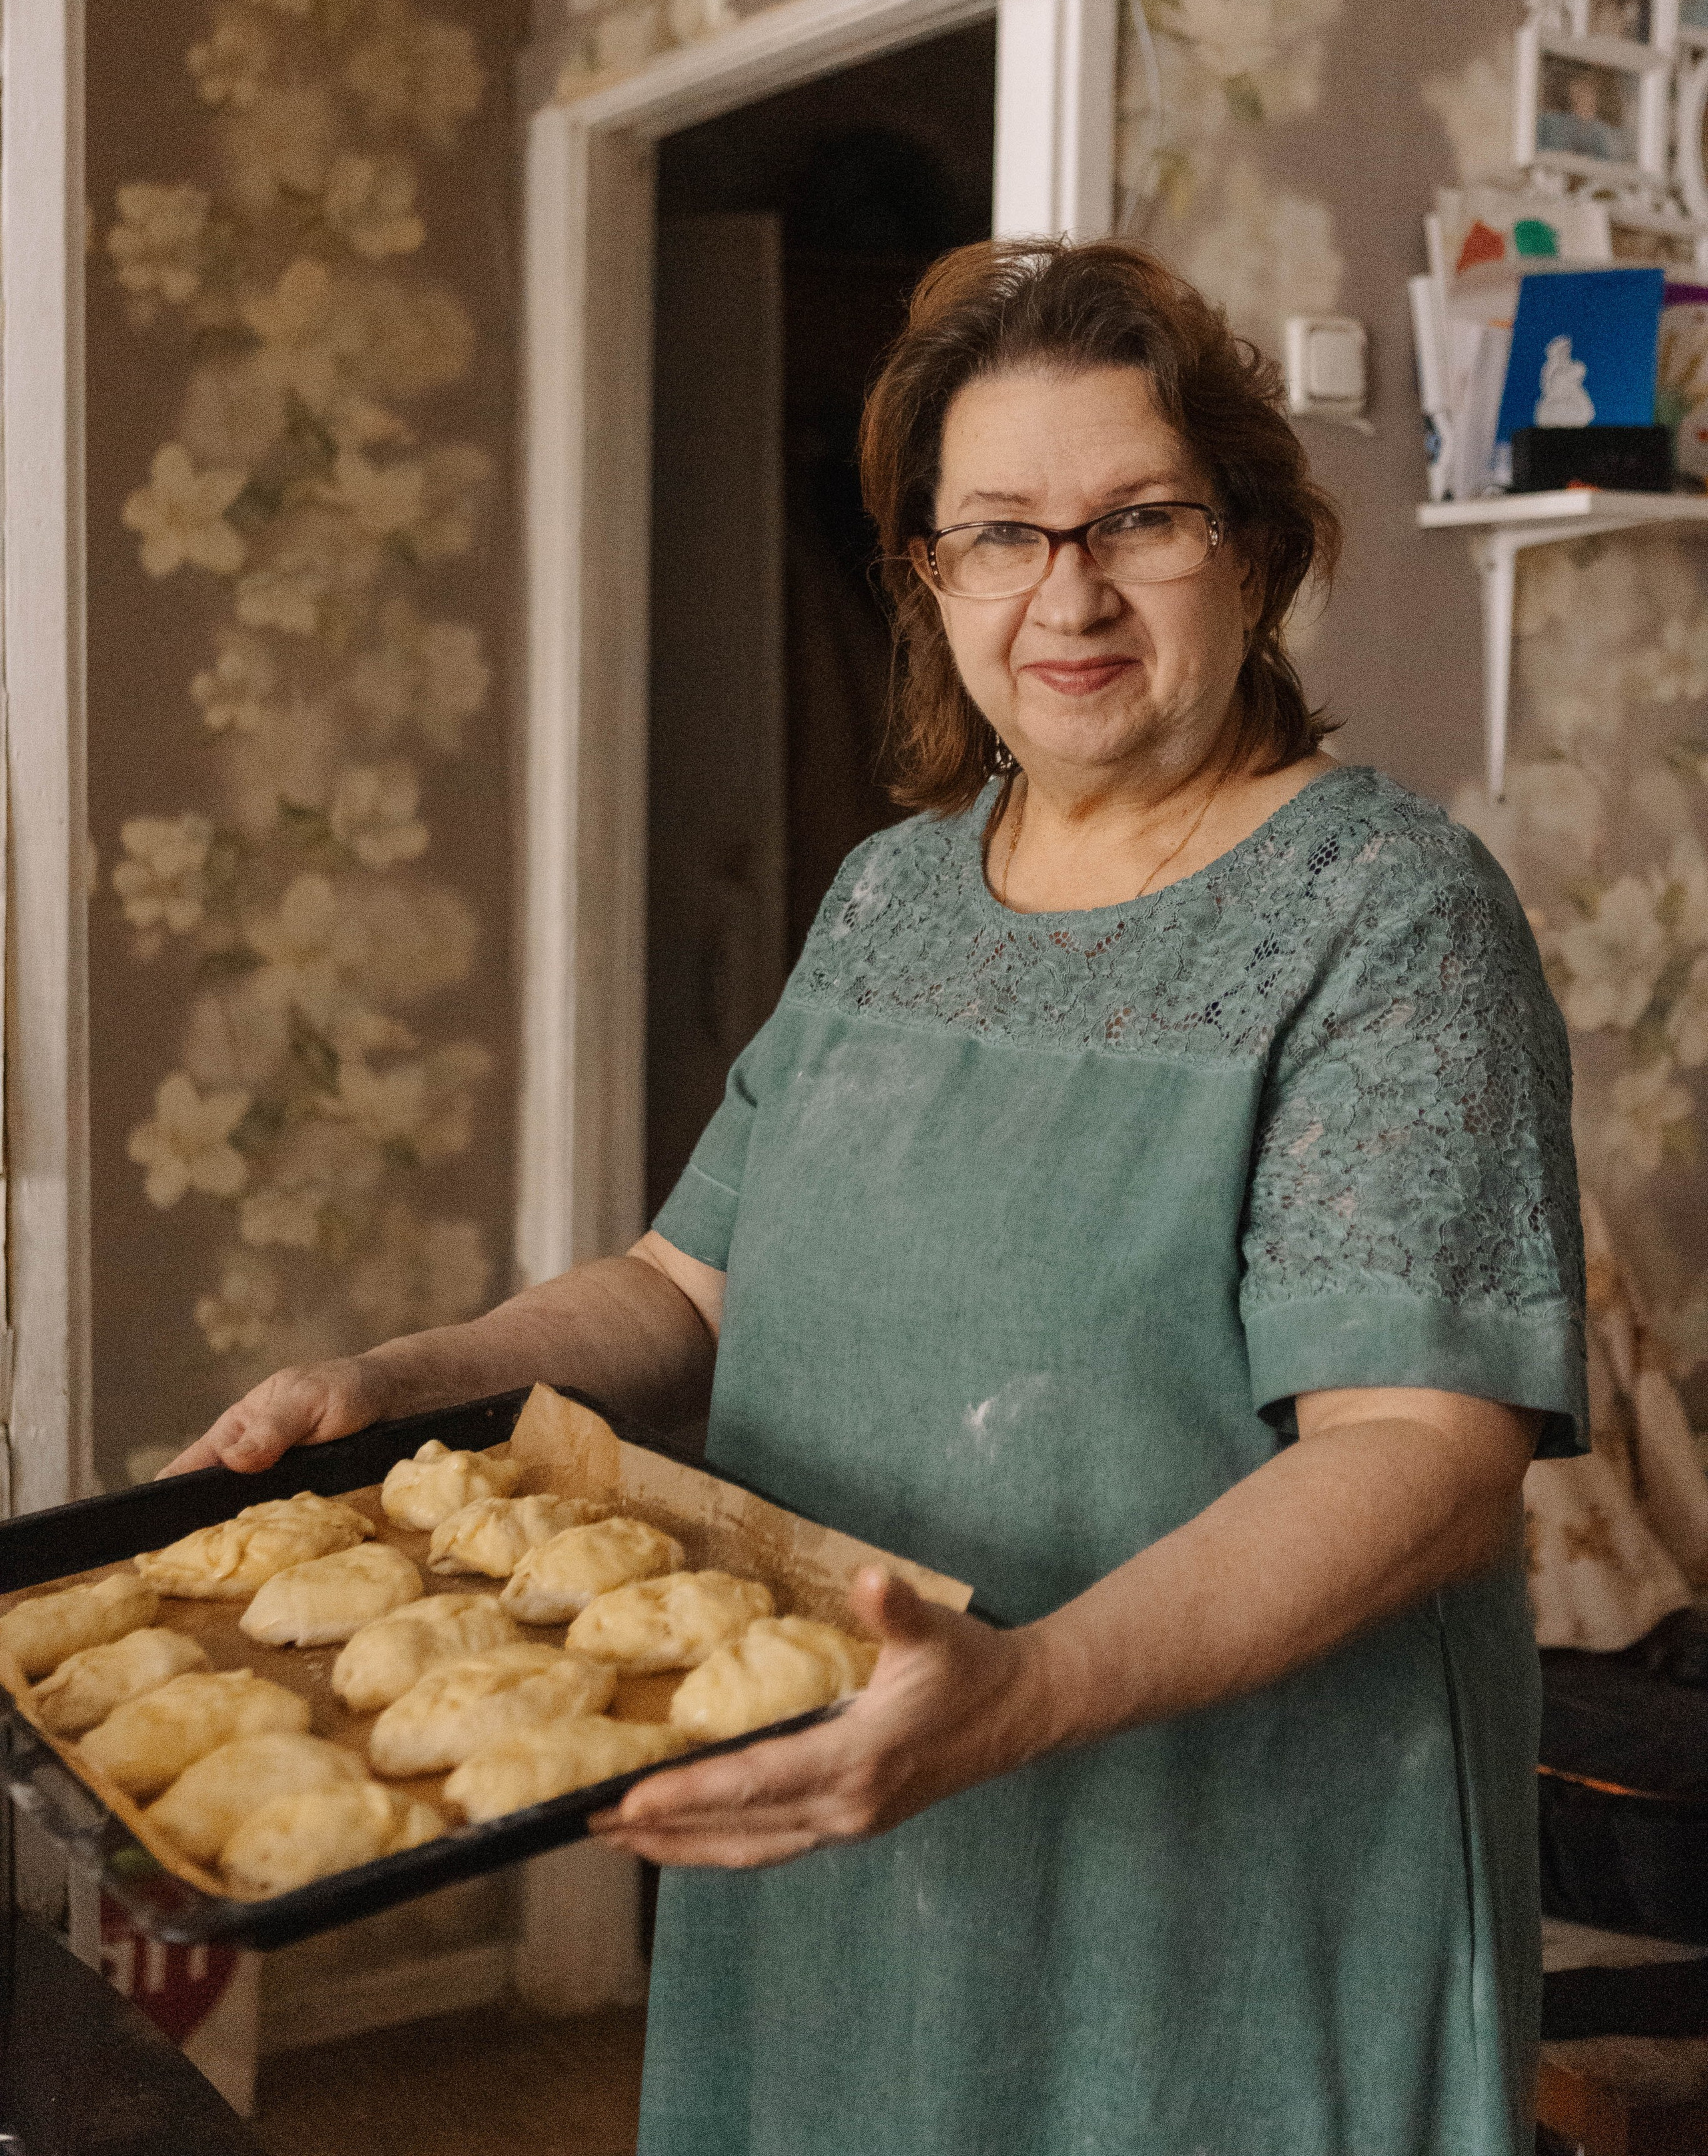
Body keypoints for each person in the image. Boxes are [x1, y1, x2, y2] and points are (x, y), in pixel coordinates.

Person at [167, 240, 1588, 2156]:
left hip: (1219, 1896)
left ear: (1254, 550)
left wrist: (1026, 1690)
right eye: (999, 534)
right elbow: (690, 1286)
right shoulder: (892, 896)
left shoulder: (1391, 918)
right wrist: (416, 1379)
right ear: (930, 579)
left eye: (1139, 520)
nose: (1067, 593)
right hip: (842, 1837)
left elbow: (1421, 1455)